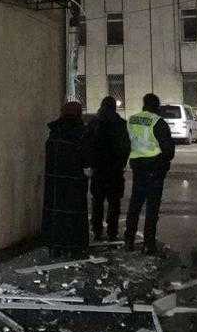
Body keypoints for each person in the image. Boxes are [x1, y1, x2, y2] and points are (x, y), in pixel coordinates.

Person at [124, 93, 175, 254]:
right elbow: (169, 151)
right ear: (156, 106)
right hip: (154, 170)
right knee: (152, 209)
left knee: (135, 206)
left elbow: (126, 143)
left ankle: (129, 240)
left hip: (138, 168)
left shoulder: (132, 120)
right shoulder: (158, 122)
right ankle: (148, 244)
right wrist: (163, 165)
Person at [43, 101, 90, 258]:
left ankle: (56, 246)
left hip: (55, 181)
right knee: (74, 214)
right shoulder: (80, 132)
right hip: (74, 180)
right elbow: (86, 157)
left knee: (57, 214)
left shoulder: (54, 131)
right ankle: (75, 247)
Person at [85, 96, 131, 242]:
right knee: (114, 201)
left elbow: (87, 144)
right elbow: (125, 146)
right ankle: (112, 231)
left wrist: (91, 163)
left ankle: (97, 230)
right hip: (115, 170)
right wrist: (121, 163)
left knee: (97, 201)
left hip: (98, 169)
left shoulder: (94, 123)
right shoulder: (120, 123)